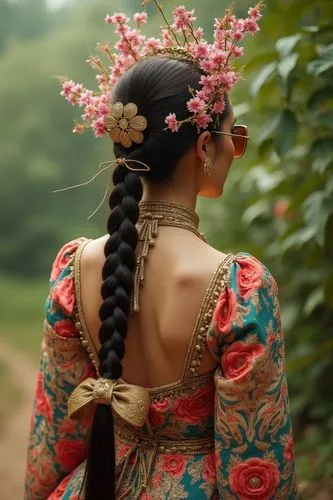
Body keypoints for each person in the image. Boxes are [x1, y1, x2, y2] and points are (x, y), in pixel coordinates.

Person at [25, 2, 297, 499]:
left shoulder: (74, 267)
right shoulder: (238, 286)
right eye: (233, 136)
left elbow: (55, 441)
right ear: (202, 148)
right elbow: (255, 464)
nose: (235, 150)